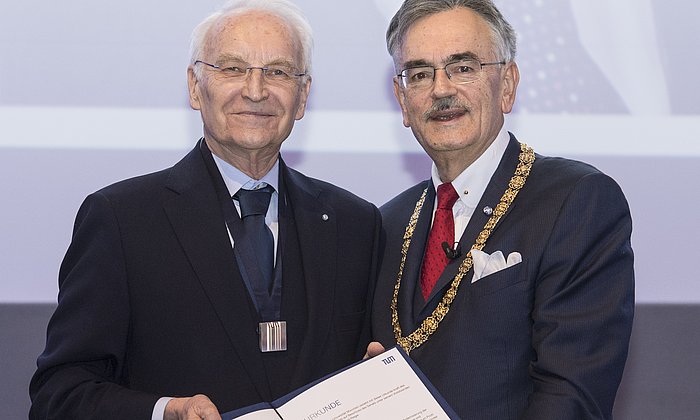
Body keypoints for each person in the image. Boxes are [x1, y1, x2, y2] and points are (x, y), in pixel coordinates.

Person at [29, 1, 380, 419]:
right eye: (232, 68)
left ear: (302, 96)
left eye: (278, 71)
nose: (255, 89)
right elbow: (60, 393)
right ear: (195, 87)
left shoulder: (356, 224)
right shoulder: (121, 220)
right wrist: (164, 411)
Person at [369, 1, 635, 419]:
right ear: (403, 101)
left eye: (464, 67)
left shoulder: (576, 200)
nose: (441, 89)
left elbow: (572, 396)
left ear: (507, 85)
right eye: (420, 74)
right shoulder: (385, 224)